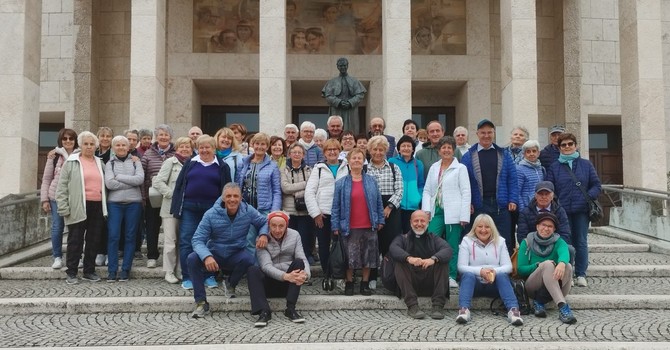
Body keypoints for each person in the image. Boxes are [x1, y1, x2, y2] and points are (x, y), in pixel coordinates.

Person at [188, 183, 269, 318]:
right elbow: (197, 239)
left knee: (250, 259)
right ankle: (201, 302)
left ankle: (231, 283)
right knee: (192, 258)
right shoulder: (211, 214)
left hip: (236, 253)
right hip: (214, 253)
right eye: (229, 196)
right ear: (223, 198)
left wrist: (263, 234)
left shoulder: (248, 210)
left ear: (241, 197)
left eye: (236, 196)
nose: (232, 199)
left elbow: (264, 222)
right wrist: (207, 256)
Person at [171, 135, 232, 290]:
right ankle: (188, 276)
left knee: (210, 242)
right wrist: (176, 207)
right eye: (201, 147)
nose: (204, 150)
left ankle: (209, 275)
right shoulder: (190, 163)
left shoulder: (222, 166)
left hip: (212, 209)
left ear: (214, 149)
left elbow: (227, 189)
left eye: (208, 147)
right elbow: (179, 186)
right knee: (186, 241)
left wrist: (225, 210)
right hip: (189, 208)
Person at [546, 133, 601, 287]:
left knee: (581, 241)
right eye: (563, 145)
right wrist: (556, 203)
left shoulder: (586, 164)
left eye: (570, 144)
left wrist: (587, 197)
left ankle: (581, 273)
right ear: (559, 148)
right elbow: (550, 188)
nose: (567, 147)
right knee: (564, 242)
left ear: (575, 145)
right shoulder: (554, 166)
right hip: (562, 211)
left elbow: (596, 185)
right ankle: (566, 274)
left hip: (582, 210)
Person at [461, 119, 519, 257]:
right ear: (477, 134)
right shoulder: (468, 156)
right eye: (483, 133)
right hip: (478, 204)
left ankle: (505, 272)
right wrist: (467, 203)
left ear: (494, 133)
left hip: (501, 205)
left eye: (489, 132)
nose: (486, 136)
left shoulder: (504, 154)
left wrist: (513, 199)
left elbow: (512, 178)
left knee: (504, 239)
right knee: (477, 239)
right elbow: (464, 183)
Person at [331, 148, 385, 296]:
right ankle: (349, 283)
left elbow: (379, 202)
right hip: (348, 225)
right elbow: (335, 206)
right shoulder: (341, 183)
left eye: (359, 158)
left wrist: (380, 219)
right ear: (348, 161)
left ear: (363, 161)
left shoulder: (371, 181)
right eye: (353, 158)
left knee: (368, 256)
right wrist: (335, 225)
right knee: (349, 256)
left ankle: (364, 283)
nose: (356, 161)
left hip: (369, 224)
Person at [56, 131, 107, 284]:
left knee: (93, 240)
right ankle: (71, 272)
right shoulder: (71, 162)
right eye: (86, 144)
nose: (89, 147)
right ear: (80, 145)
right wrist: (63, 207)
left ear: (96, 146)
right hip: (78, 205)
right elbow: (62, 186)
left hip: (97, 206)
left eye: (92, 144)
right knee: (75, 240)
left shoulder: (100, 162)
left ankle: (89, 271)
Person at [456, 214, 523, 326]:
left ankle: (514, 311)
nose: (483, 230)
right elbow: (461, 267)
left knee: (502, 275)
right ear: (474, 228)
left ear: (492, 228)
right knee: (467, 275)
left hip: (495, 284)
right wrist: (481, 271)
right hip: (474, 285)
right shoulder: (466, 241)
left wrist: (494, 272)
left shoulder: (500, 241)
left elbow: (508, 266)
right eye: (480, 226)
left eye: (487, 227)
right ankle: (463, 310)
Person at [422, 136, 470, 288]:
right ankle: (432, 273)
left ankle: (451, 276)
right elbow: (427, 190)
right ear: (439, 150)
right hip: (436, 211)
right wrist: (426, 211)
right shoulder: (434, 167)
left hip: (454, 212)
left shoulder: (460, 168)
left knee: (452, 245)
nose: (447, 150)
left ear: (453, 150)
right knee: (430, 241)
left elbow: (466, 191)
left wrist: (464, 215)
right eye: (444, 147)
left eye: (450, 147)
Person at [247, 211, 310, 327]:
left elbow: (302, 258)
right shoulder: (262, 239)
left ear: (287, 225)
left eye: (281, 226)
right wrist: (286, 276)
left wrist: (305, 275)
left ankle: (290, 309)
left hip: (288, 284)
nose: (277, 230)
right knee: (252, 270)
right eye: (273, 226)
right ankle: (264, 311)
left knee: (299, 262)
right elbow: (266, 266)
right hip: (269, 284)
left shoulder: (295, 235)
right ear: (268, 226)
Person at [389, 210, 452, 320]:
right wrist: (409, 258)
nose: (419, 224)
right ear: (410, 222)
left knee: (442, 262)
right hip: (410, 283)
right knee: (400, 262)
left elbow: (448, 250)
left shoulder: (434, 238)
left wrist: (433, 259)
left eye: (422, 221)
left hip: (430, 282)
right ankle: (412, 306)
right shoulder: (402, 238)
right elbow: (393, 249)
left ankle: (437, 306)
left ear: (428, 222)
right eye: (416, 221)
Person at [517, 212, 577, 324]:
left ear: (554, 229)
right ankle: (562, 306)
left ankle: (539, 302)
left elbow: (564, 253)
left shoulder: (559, 242)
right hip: (533, 286)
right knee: (548, 264)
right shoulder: (527, 242)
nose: (546, 228)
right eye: (543, 225)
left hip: (557, 286)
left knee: (567, 265)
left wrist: (562, 263)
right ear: (537, 226)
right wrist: (538, 265)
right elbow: (521, 269)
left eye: (550, 226)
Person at [152, 137, 194, 284]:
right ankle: (169, 271)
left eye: (187, 147)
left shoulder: (194, 163)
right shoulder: (170, 162)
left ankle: (180, 270)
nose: (184, 149)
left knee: (183, 241)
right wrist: (171, 194)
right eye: (181, 146)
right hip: (170, 208)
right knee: (171, 241)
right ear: (177, 148)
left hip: (188, 208)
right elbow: (158, 181)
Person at [104, 135, 144, 282]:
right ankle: (112, 271)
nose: (121, 147)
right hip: (114, 204)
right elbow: (109, 184)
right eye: (118, 145)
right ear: (113, 148)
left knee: (130, 236)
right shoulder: (110, 163)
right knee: (113, 236)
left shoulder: (135, 161)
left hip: (134, 203)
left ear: (128, 147)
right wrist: (130, 182)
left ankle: (125, 270)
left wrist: (118, 177)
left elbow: (139, 179)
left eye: (123, 145)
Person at [366, 135, 404, 289]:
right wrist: (375, 211)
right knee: (373, 244)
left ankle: (390, 276)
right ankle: (372, 277)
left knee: (391, 244)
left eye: (381, 149)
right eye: (375, 149)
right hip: (370, 210)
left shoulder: (394, 168)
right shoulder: (364, 169)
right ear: (370, 151)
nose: (378, 152)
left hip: (391, 210)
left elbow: (400, 190)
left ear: (386, 151)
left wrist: (388, 207)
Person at [305, 138, 348, 272]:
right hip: (323, 214)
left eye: (335, 149)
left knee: (341, 245)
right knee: (323, 246)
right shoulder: (318, 169)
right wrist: (316, 213)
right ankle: (327, 274)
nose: (332, 152)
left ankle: (339, 272)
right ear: (324, 152)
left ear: (339, 151)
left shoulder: (348, 167)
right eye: (329, 149)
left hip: (342, 214)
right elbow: (309, 192)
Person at [41, 128, 79, 269]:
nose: (68, 141)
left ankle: (75, 256)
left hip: (74, 197)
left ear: (75, 141)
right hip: (55, 197)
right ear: (60, 140)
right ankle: (57, 256)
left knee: (76, 229)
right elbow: (46, 179)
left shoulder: (80, 155)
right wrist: (45, 199)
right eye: (65, 139)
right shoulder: (54, 156)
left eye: (71, 138)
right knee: (57, 227)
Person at [141, 124, 176, 269]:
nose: (163, 137)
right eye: (161, 134)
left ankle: (172, 257)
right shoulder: (148, 154)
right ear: (156, 137)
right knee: (152, 227)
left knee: (171, 229)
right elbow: (142, 177)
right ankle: (152, 256)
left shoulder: (176, 153)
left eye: (166, 134)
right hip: (153, 197)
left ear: (170, 137)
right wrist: (143, 198)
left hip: (171, 197)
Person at [281, 143, 314, 264]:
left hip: (305, 209)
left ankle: (306, 256)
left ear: (303, 155)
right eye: (294, 152)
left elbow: (313, 187)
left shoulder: (309, 170)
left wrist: (295, 189)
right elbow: (285, 188)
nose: (296, 154)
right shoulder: (283, 169)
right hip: (289, 210)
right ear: (289, 154)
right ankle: (291, 258)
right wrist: (305, 184)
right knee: (290, 237)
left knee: (305, 236)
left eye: (299, 152)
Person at [517, 181, 573, 251]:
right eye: (540, 194)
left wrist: (552, 248)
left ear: (552, 196)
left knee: (570, 249)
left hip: (554, 247)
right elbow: (522, 236)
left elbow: (565, 234)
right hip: (532, 247)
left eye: (547, 194)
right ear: (535, 195)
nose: (543, 197)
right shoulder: (525, 212)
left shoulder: (560, 211)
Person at [389, 135, 425, 234]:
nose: (406, 148)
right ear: (399, 149)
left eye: (409, 146)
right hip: (397, 206)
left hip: (413, 207)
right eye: (403, 146)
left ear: (413, 149)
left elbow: (421, 184)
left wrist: (418, 197)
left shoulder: (418, 164)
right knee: (395, 234)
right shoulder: (392, 162)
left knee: (411, 235)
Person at [322, 57, 367, 132]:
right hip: (336, 109)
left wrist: (350, 102)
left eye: (344, 65)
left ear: (347, 66)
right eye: (340, 66)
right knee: (335, 128)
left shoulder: (354, 81)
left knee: (351, 130)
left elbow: (360, 94)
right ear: (337, 67)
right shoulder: (332, 82)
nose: (343, 67)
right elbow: (328, 95)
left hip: (351, 110)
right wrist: (338, 102)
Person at [94, 126, 113, 266]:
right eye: (102, 136)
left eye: (108, 136)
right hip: (96, 193)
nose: (105, 139)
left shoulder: (115, 153)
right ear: (98, 138)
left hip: (111, 194)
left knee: (110, 225)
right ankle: (99, 252)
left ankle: (109, 252)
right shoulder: (92, 152)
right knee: (97, 224)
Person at [517, 140, 545, 210]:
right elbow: (517, 192)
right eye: (528, 151)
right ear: (524, 154)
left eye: (534, 151)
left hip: (540, 206)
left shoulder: (541, 169)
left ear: (538, 153)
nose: (531, 154)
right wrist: (522, 210)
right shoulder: (519, 169)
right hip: (527, 208)